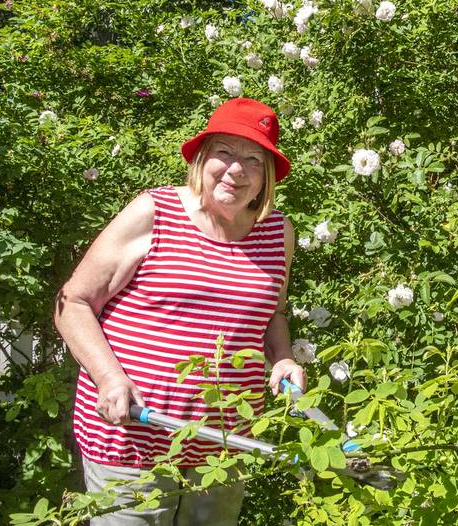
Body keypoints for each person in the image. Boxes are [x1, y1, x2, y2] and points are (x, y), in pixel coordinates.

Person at [54, 97, 306, 525]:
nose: (236, 170)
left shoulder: (277, 232)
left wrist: (281, 357)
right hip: (135, 435)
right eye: (225, 152)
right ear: (202, 157)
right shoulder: (155, 212)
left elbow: (273, 312)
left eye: (253, 160)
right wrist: (109, 378)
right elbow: (72, 303)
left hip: (225, 442)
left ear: (267, 176)